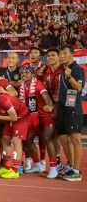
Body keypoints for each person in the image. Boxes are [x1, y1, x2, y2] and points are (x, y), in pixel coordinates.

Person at [18, 65, 57, 178]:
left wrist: (49, 105)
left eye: (26, 73)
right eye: (22, 73)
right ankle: (38, 164)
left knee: (47, 138)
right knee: (28, 139)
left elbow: (46, 96)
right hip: (32, 117)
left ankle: (53, 167)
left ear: (33, 74)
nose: (24, 74)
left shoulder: (38, 84)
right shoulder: (23, 86)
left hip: (45, 117)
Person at [56, 46, 85, 181]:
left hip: (73, 109)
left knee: (75, 139)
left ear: (72, 55)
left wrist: (69, 76)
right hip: (62, 109)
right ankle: (71, 165)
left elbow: (79, 88)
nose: (61, 56)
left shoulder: (77, 69)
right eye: (60, 54)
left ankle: (76, 171)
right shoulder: (62, 69)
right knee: (63, 139)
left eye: (64, 53)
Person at [42, 48, 63, 171]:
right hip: (51, 108)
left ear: (59, 56)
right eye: (48, 56)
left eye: (53, 55)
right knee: (52, 136)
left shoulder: (64, 70)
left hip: (64, 107)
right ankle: (58, 160)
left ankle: (71, 165)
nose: (50, 58)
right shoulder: (46, 71)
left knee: (64, 137)